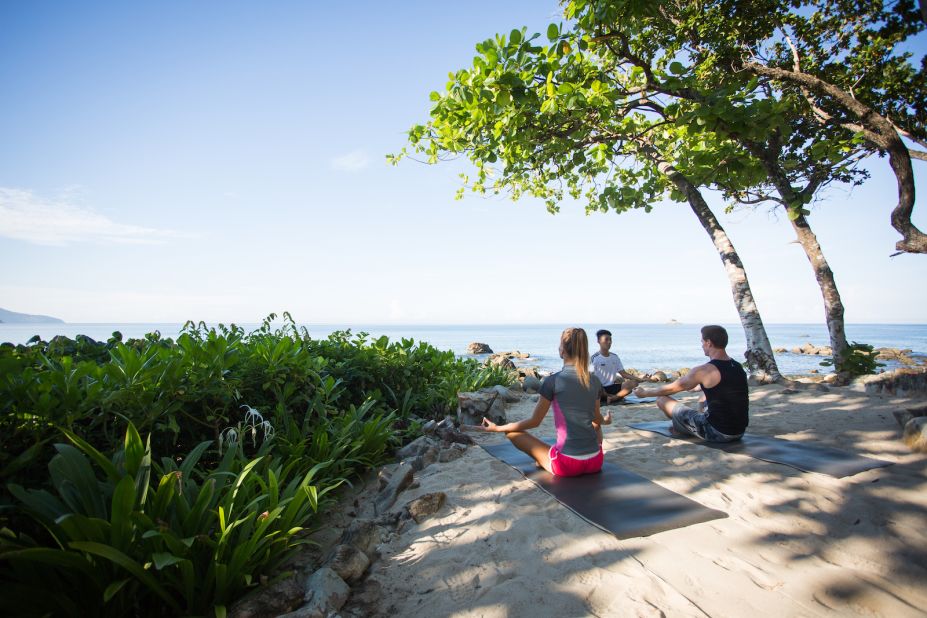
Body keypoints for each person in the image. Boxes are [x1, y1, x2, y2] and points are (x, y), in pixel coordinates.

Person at [469, 327, 612, 476]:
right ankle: (544, 459)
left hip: (567, 465)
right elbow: (597, 419)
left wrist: (498, 428)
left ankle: (542, 460)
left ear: (562, 351)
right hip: (595, 461)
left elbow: (534, 422)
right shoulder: (594, 381)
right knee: (595, 425)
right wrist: (606, 421)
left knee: (512, 433)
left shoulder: (552, 381)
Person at [634, 325, 748, 443]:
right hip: (738, 432)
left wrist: (645, 393)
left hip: (717, 433)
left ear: (708, 343)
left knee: (662, 399)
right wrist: (698, 386)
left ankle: (681, 427)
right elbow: (726, 386)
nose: (701, 345)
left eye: (702, 342)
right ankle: (693, 423)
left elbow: (672, 388)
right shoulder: (737, 366)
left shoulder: (704, 370)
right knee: (704, 393)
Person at [590, 329, 640, 404]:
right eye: (606, 340)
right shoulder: (595, 358)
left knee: (634, 383)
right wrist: (601, 389)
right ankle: (610, 396)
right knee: (596, 389)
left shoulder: (614, 357)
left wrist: (639, 379)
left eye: (610, 340)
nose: (609, 342)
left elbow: (623, 373)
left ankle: (613, 398)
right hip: (600, 388)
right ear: (599, 341)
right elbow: (589, 377)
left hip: (612, 387)